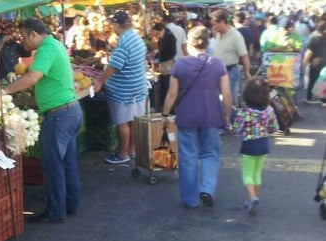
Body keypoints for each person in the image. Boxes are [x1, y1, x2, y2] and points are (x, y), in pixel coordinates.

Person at [0, 17, 82, 223]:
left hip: (59, 116)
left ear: (34, 34)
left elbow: (32, 77)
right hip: (71, 110)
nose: (22, 42)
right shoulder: (55, 44)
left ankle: (56, 212)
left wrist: (3, 91)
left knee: (53, 165)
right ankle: (71, 204)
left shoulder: (46, 49)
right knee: (67, 163)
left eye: (24, 37)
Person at [161, 26, 232, 208]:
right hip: (211, 116)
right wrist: (226, 115)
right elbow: (227, 93)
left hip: (186, 116)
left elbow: (172, 94)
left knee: (188, 158)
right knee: (210, 154)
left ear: (189, 42)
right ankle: (207, 189)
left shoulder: (179, 65)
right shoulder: (217, 64)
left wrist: (164, 115)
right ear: (208, 43)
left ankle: (189, 199)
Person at [93, 10, 148, 164]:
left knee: (122, 121)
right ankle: (132, 150)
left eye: (113, 25)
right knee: (134, 120)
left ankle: (122, 154)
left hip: (124, 89)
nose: (112, 28)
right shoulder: (137, 38)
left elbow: (114, 66)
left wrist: (100, 81)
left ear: (117, 25)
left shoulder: (124, 42)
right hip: (138, 86)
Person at [229, 78, 279, 216]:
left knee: (247, 174)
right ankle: (253, 201)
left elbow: (236, 129)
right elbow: (274, 128)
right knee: (257, 173)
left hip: (249, 145)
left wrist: (229, 126)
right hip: (263, 144)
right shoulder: (269, 110)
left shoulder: (246, 111)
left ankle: (252, 198)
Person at [210, 9, 252, 106]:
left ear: (222, 22)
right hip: (217, 72)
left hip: (230, 72)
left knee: (228, 100)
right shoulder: (218, 33)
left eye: (215, 24)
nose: (213, 27)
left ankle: (229, 119)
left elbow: (244, 56)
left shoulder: (236, 36)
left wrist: (247, 72)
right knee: (218, 100)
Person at [151, 22, 177, 112]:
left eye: (158, 33)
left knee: (167, 87)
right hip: (164, 65)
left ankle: (170, 109)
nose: (158, 36)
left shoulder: (169, 37)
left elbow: (171, 52)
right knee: (164, 87)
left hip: (168, 66)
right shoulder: (165, 37)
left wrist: (160, 56)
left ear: (163, 30)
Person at [302, 20, 326, 103]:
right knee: (324, 81)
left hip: (315, 63)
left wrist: (304, 63)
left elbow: (309, 52)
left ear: (317, 29)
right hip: (324, 63)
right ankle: (324, 101)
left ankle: (309, 98)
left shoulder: (314, 39)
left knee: (312, 81)